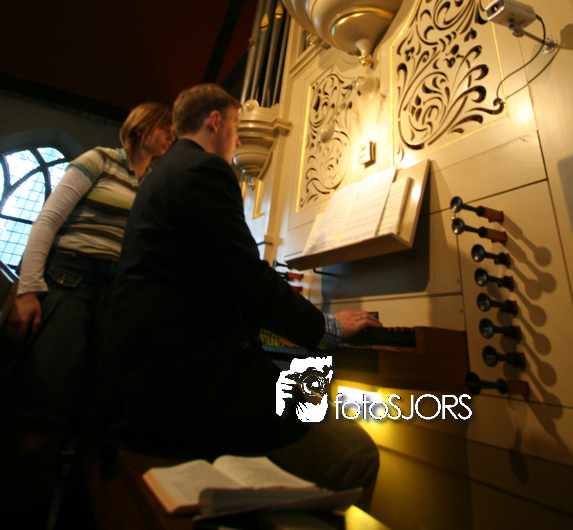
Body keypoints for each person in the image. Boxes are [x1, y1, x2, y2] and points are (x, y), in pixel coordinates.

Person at [95, 84, 382, 508]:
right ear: (216, 121)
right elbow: (250, 281)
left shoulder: (164, 172)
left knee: (307, 394)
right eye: (237, 128)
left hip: (155, 377)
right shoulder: (204, 170)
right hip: (187, 391)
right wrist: (330, 328)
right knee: (356, 452)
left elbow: (225, 281)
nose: (238, 141)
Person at [0, 101, 173, 522]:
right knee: (40, 417)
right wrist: (29, 288)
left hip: (116, 297)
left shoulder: (155, 183)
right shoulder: (100, 160)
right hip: (68, 282)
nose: (171, 135)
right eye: (165, 127)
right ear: (142, 127)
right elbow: (47, 220)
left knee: (93, 427)